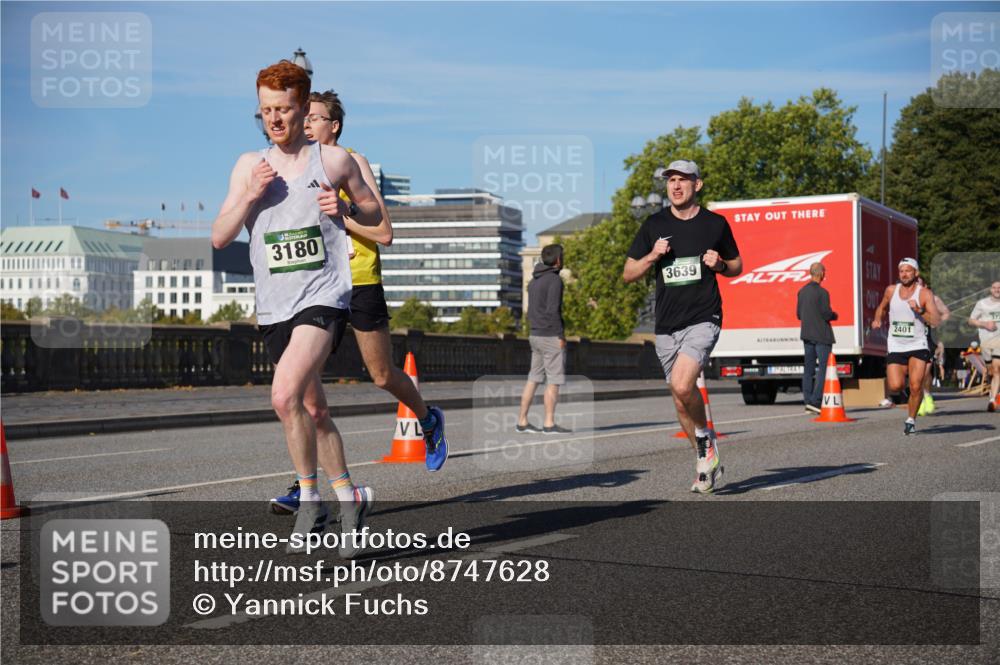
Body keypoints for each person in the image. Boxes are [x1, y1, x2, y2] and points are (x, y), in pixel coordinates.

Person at [212, 61, 383, 557]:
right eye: (266, 110)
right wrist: (249, 194)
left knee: (283, 394)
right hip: (274, 306)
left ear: (302, 107)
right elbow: (220, 236)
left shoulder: (332, 162)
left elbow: (375, 212)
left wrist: (346, 210)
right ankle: (349, 499)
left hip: (325, 298)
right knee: (313, 407)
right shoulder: (249, 165)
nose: (275, 120)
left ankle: (311, 501)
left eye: (284, 109)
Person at [269, 89, 448, 516]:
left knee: (383, 375)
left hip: (360, 281)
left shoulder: (353, 162)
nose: (307, 124)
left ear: (334, 126)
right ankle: (305, 484)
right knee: (303, 392)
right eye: (304, 117)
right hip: (315, 290)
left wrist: (342, 212)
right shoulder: (294, 170)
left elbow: (384, 232)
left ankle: (428, 419)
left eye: (315, 118)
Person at [623, 160, 742, 493]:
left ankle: (705, 445)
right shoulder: (653, 224)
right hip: (666, 325)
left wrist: (719, 264)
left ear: (697, 185)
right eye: (671, 180)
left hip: (704, 317)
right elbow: (628, 273)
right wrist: (651, 256)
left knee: (681, 383)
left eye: (683, 180)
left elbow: (737, 265)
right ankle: (706, 458)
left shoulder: (715, 224)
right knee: (679, 398)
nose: (675, 186)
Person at [871, 258, 942, 435]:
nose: (904, 274)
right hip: (896, 344)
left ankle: (911, 419)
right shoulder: (891, 290)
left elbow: (936, 321)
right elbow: (881, 307)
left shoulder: (924, 293)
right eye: (901, 271)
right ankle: (911, 399)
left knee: (916, 386)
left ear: (916, 273)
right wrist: (878, 318)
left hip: (918, 344)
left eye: (908, 270)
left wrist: (920, 311)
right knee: (895, 386)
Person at [517, 244, 570, 434]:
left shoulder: (533, 281)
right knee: (553, 380)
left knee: (533, 378)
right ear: (557, 260)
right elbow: (552, 310)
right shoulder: (554, 281)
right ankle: (549, 423)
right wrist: (560, 335)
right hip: (550, 335)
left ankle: (522, 421)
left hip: (535, 334)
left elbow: (533, 310)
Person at [797, 262, 837, 414]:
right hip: (822, 335)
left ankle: (808, 401)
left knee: (808, 369)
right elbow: (826, 314)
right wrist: (834, 315)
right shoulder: (823, 293)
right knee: (823, 370)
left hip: (807, 335)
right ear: (821, 274)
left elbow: (799, 314)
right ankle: (816, 401)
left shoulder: (802, 291)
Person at [916, 275, 949, 416]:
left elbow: (946, 313)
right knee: (915, 374)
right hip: (911, 339)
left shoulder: (933, 299)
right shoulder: (905, 298)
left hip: (928, 339)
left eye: (919, 283)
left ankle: (927, 396)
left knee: (924, 372)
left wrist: (938, 321)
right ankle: (921, 399)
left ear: (925, 285)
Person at [968, 281, 1000, 411]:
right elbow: (971, 320)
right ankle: (994, 391)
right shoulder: (982, 304)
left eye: (999, 288)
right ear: (990, 289)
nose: (997, 290)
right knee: (991, 371)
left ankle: (992, 400)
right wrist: (985, 324)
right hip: (986, 341)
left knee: (997, 368)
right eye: (994, 288)